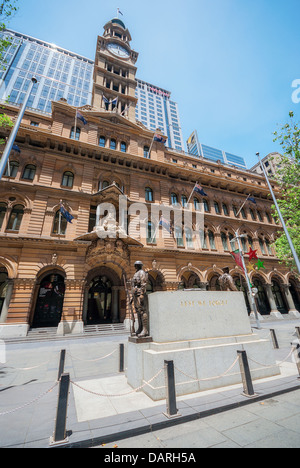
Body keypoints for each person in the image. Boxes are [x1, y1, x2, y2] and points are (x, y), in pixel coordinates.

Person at [131, 261, 149, 337]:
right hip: (135, 294)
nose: (135, 266)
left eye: (136, 265)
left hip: (139, 294)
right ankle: (140, 328)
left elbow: (144, 283)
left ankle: (145, 330)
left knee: (142, 311)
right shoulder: (136, 273)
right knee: (138, 312)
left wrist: (142, 293)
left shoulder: (141, 272)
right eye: (135, 265)